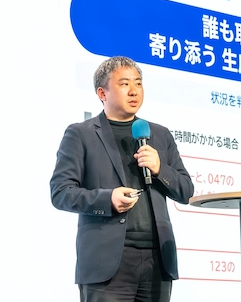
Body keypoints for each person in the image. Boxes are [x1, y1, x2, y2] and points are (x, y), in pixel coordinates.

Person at [50, 56, 194, 302]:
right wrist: (108, 199)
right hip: (107, 263)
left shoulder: (160, 135)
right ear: (102, 93)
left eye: (138, 83)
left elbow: (186, 191)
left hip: (157, 261)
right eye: (124, 84)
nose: (134, 91)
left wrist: (160, 169)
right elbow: (61, 192)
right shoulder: (81, 134)